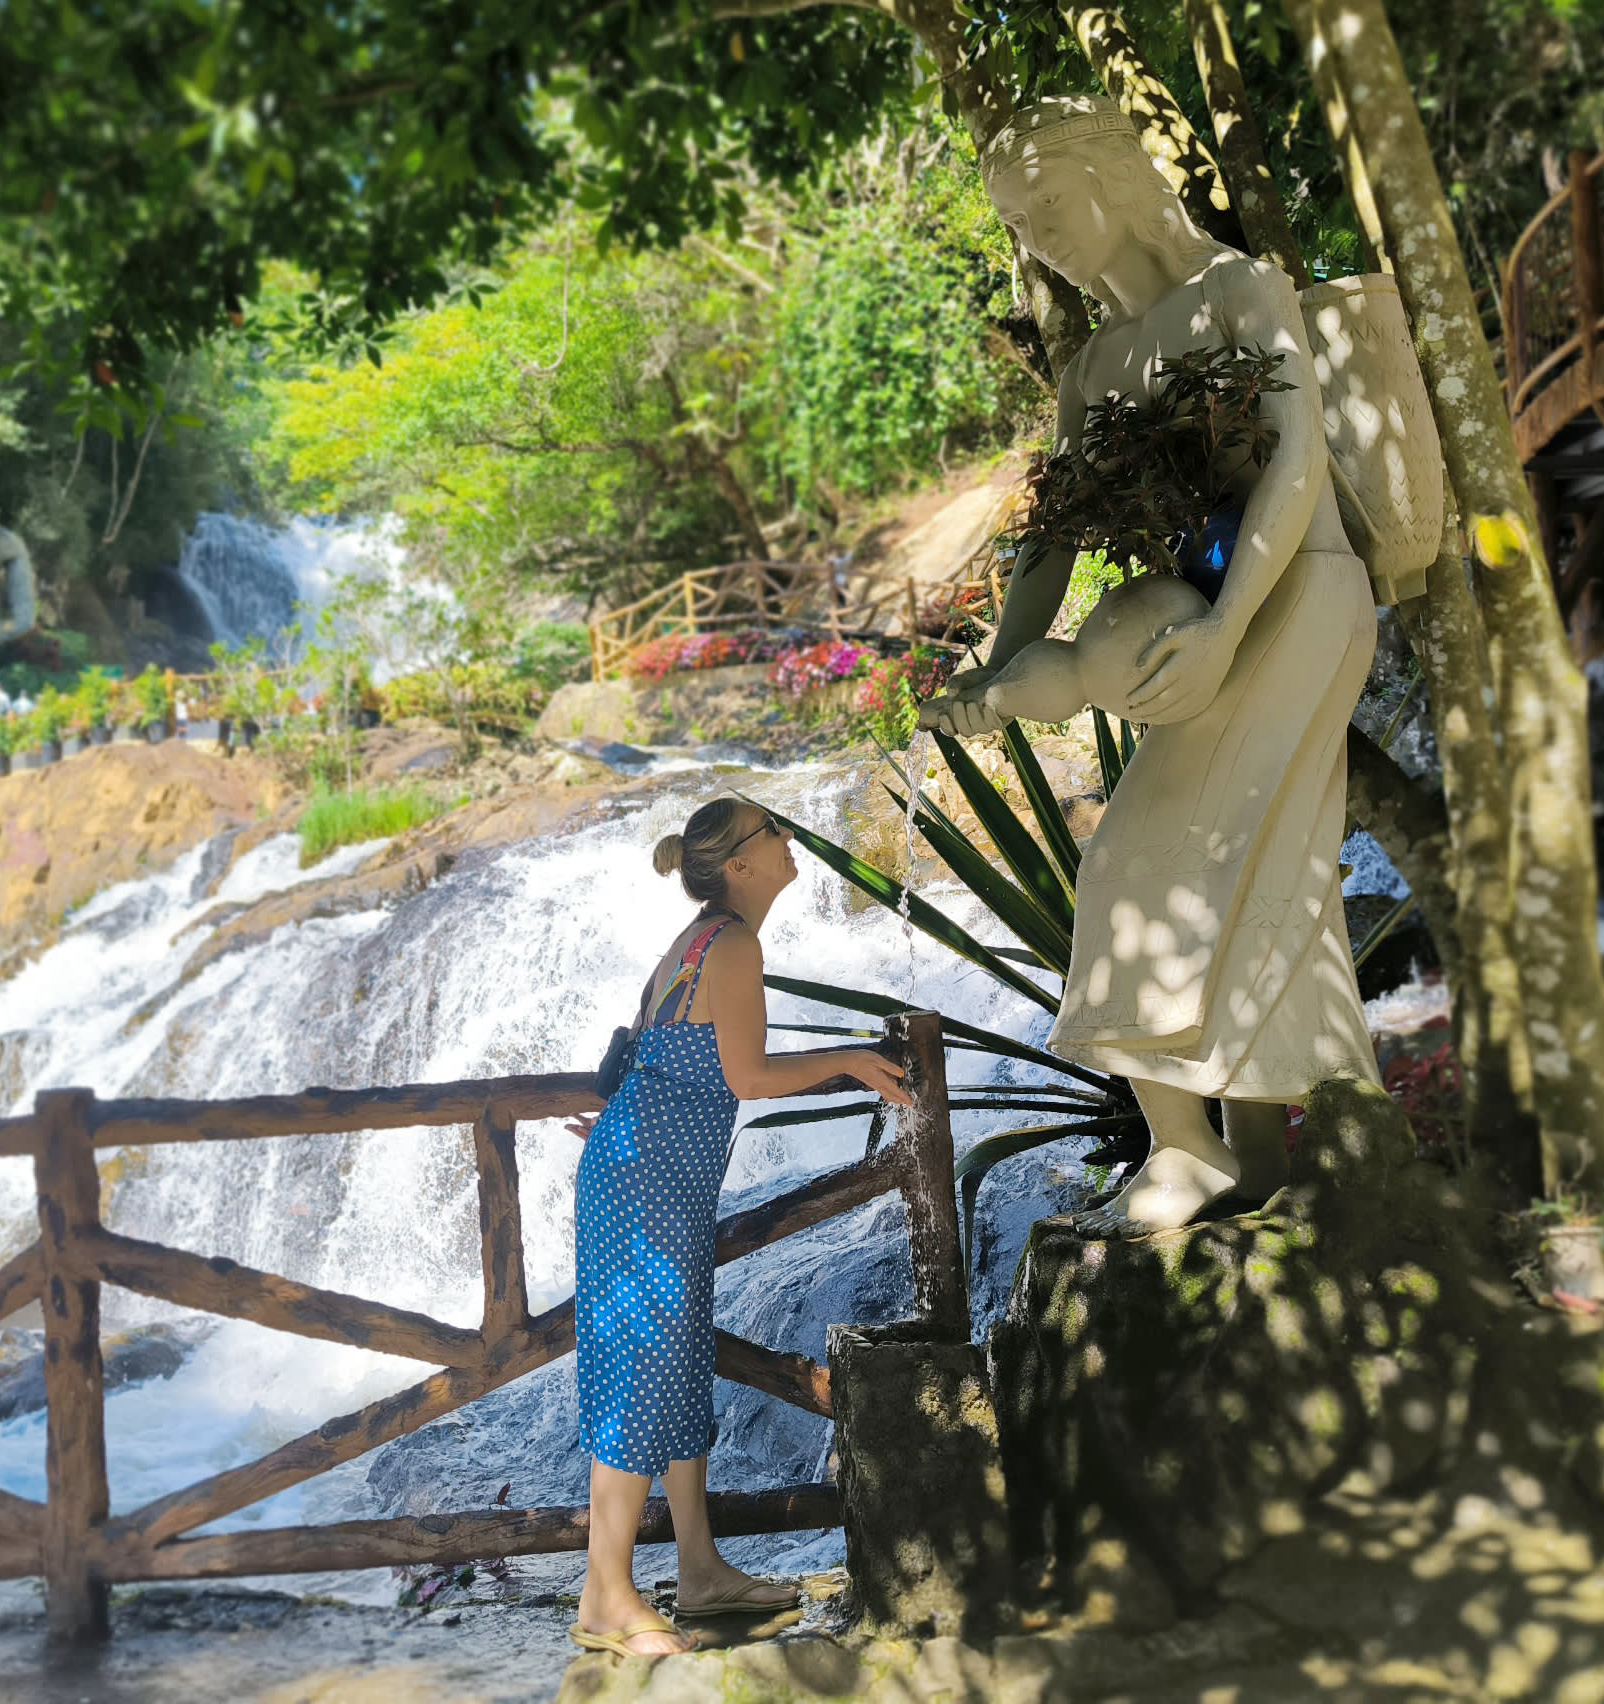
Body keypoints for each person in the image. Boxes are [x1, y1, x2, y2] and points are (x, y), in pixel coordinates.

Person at [920, 96, 1381, 1234]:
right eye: (1016, 221)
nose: (1039, 234)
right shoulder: (1092, 368)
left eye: (1047, 199)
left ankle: (1186, 1151)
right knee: (1260, 871)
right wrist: (996, 670)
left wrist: (1227, 627)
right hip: (1200, 623)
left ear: (1112, 178)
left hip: (1292, 597)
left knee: (1143, 861)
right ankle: (1263, 1154)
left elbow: (1297, 462)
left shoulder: (1237, 289)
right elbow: (1050, 537)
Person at [567, 798, 912, 1659]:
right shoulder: (731, 944)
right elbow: (748, 1076)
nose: (789, 840)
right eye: (773, 832)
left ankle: (699, 1572)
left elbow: (654, 1060)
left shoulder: (703, 939)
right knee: (645, 1370)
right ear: (740, 864)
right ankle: (604, 1596)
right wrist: (849, 1057)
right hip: (648, 1179)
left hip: (645, 1171)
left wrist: (620, 1135)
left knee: (678, 1367)